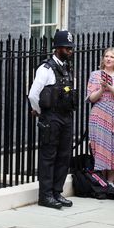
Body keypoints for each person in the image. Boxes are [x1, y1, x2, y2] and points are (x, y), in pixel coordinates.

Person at [28, 30, 78, 209]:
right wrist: (40, 112)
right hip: (51, 117)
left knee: (64, 155)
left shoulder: (67, 67)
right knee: (48, 156)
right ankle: (46, 195)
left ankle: (57, 192)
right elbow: (33, 94)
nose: (70, 51)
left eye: (71, 48)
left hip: (65, 116)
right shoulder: (46, 68)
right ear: (57, 48)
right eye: (67, 48)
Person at [86, 48, 114, 185]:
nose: (108, 59)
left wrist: (109, 86)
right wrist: (102, 89)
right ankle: (101, 181)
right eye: (106, 56)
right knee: (100, 146)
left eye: (112, 57)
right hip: (99, 113)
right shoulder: (95, 74)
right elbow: (91, 97)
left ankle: (111, 182)